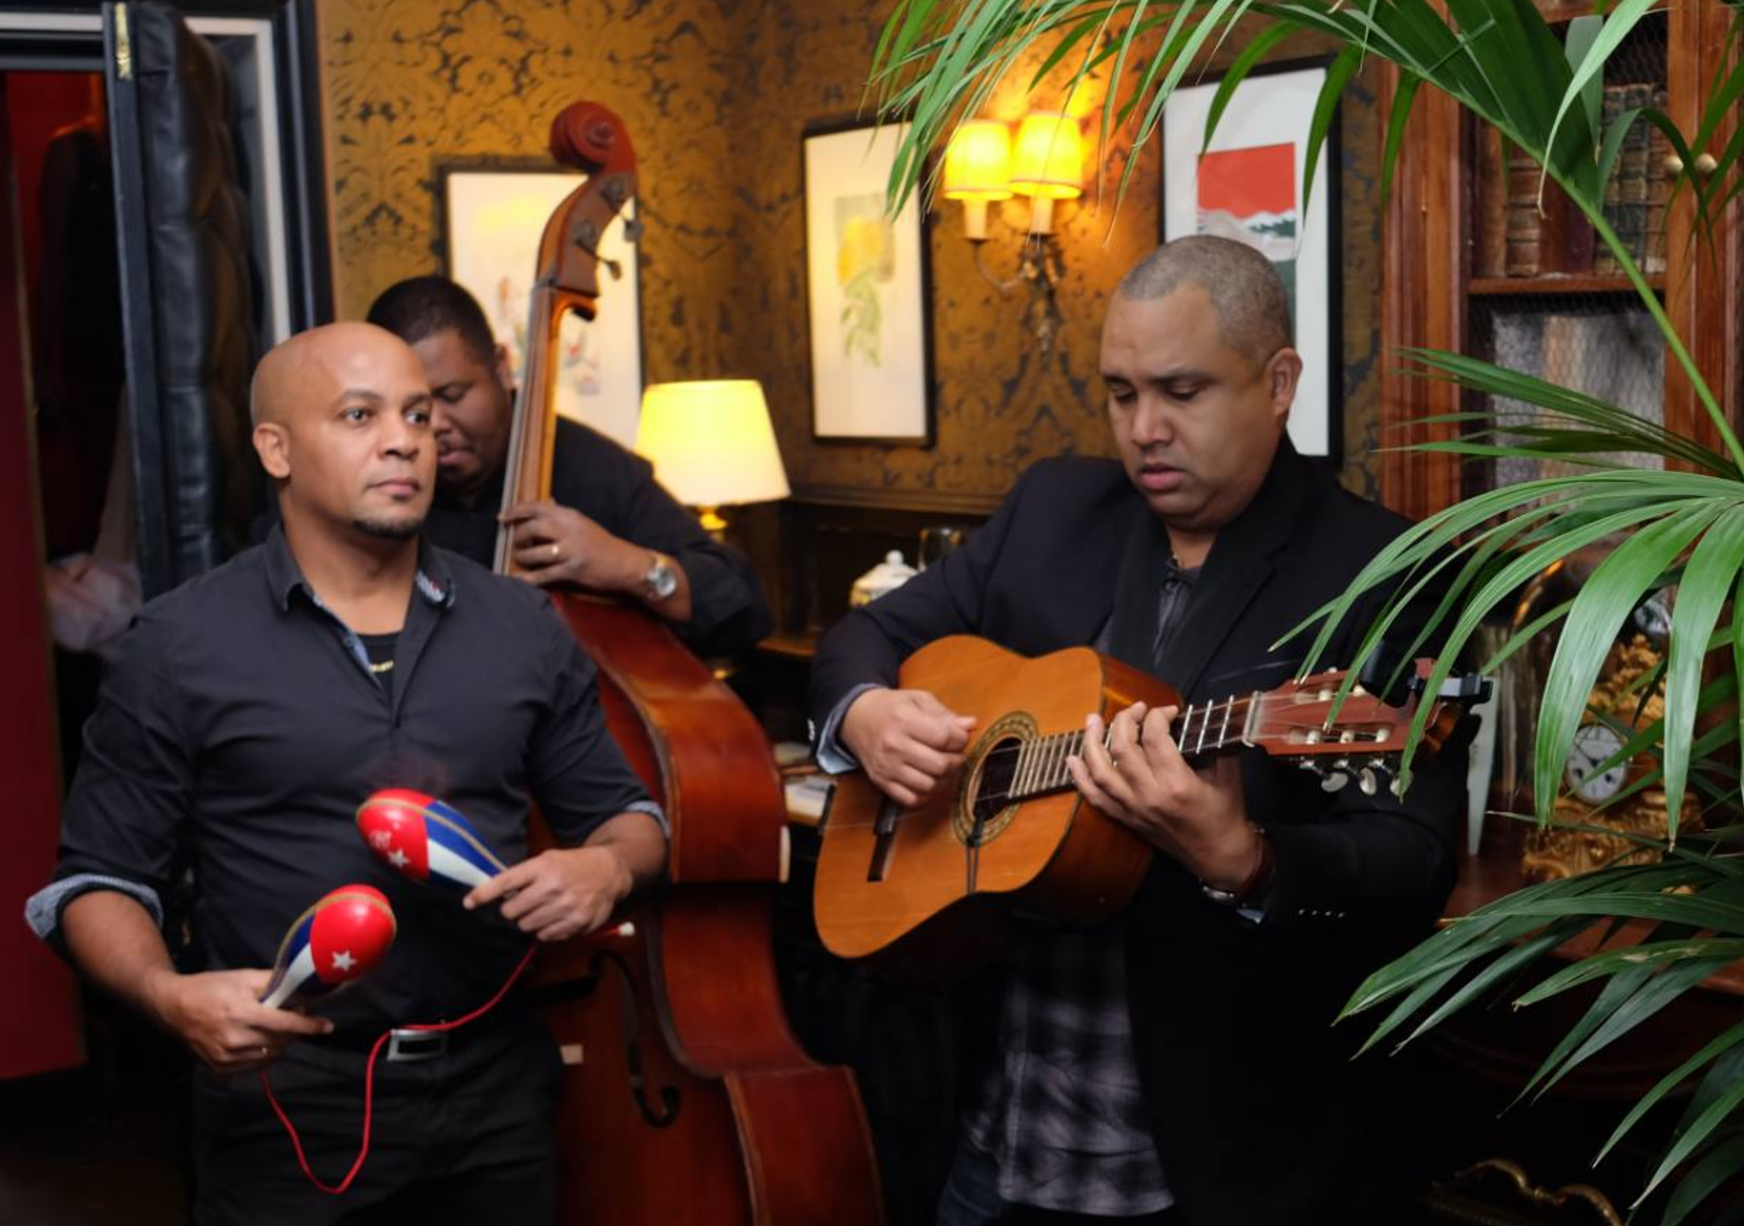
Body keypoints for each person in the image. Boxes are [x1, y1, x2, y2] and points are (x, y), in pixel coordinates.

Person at [809, 236, 1470, 1226]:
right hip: (995, 1121)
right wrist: (864, 714)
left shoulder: (1383, 570)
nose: (1144, 429)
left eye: (1181, 390)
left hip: (1217, 1155)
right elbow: (868, 633)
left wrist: (1242, 858)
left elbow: (1412, 861)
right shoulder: (1052, 509)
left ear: (1278, 381)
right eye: (1120, 393)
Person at [26, 322, 669, 1225]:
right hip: (288, 1101)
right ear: (276, 449)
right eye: (359, 415)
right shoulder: (179, 647)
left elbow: (631, 818)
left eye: (418, 412)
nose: (406, 437)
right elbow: (93, 883)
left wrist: (606, 866)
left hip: (498, 1092)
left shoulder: (521, 623)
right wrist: (167, 996)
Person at [365, 275, 772, 657]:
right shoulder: (382, 484)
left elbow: (743, 605)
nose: (435, 424)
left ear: (502, 365)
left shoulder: (591, 466)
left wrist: (626, 565)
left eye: (452, 395)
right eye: (414, 409)